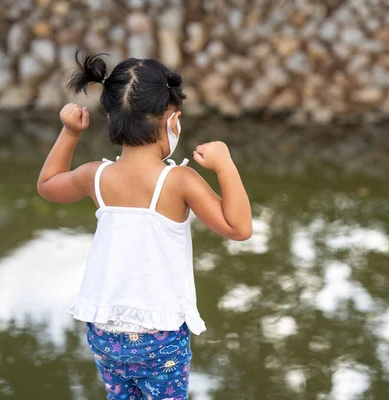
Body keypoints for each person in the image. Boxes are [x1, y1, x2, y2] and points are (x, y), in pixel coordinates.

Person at [37, 50, 252, 400]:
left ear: (110, 117)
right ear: (173, 121)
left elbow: (48, 185)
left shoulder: (97, 175)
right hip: (160, 335)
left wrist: (70, 132)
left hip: (104, 333)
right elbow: (239, 227)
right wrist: (225, 165)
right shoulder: (180, 181)